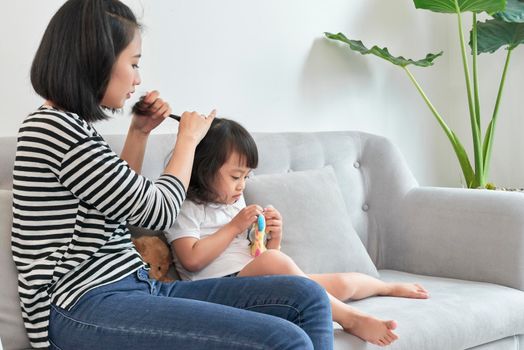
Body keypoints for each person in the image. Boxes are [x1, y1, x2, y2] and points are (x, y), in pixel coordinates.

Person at [12, 1, 334, 349]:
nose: (137, 79)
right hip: (80, 307)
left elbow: (118, 206)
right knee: (281, 339)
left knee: (307, 297)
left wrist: (139, 133)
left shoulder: (73, 129)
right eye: (133, 64)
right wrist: (188, 143)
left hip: (132, 288)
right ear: (97, 60)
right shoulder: (54, 131)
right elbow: (159, 210)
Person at [166, 118, 431, 347]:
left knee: (342, 284)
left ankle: (386, 286)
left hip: (253, 279)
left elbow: (259, 256)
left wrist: (273, 237)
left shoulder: (232, 202)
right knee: (277, 263)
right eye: (236, 177)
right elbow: (191, 258)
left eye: (246, 177)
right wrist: (235, 226)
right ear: (203, 170)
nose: (242, 186)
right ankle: (349, 318)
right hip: (218, 289)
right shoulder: (184, 207)